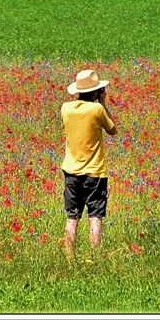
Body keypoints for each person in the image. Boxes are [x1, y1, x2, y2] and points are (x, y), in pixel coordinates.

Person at [60, 68, 118, 258]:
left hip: (71, 171)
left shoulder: (65, 108)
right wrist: (103, 102)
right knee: (95, 216)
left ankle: (69, 257)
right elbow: (112, 129)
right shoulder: (97, 109)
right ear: (95, 91)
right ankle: (94, 257)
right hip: (95, 172)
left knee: (72, 217)